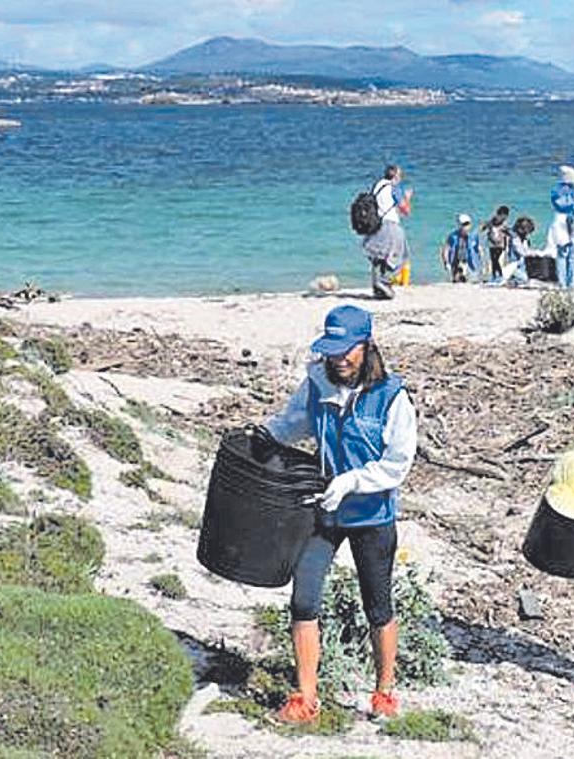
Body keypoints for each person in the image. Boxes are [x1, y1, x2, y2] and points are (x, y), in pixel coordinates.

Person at [257, 305, 418, 724]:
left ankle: (384, 692)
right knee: (304, 598)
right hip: (323, 512)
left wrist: (352, 481)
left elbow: (398, 463)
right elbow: (294, 423)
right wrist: (267, 435)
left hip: (372, 516)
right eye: (333, 351)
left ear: (366, 346)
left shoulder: (391, 397)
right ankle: (305, 698)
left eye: (348, 351)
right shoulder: (317, 382)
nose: (340, 360)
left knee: (377, 606)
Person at [361, 165, 413, 299]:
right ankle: (385, 282)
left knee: (378, 256)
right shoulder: (393, 188)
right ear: (395, 176)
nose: (401, 178)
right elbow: (405, 210)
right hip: (390, 225)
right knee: (400, 255)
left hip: (375, 224)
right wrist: (407, 198)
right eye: (400, 175)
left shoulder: (377, 186)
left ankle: (377, 287)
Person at [549, 164, 574, 289]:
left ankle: (562, 283)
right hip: (573, 220)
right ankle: (571, 283)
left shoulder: (555, 191)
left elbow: (555, 205)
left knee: (561, 254)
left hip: (559, 219)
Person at [440, 213, 483, 283]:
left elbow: (478, 248)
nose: (466, 227)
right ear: (459, 225)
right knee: (457, 279)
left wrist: (481, 261)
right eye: (464, 225)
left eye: (468, 224)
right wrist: (446, 262)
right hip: (456, 261)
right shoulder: (453, 236)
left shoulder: (473, 236)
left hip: (469, 262)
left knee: (468, 279)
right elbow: (445, 249)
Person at [482, 206, 513, 283]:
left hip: (501, 245)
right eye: (504, 216)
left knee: (496, 259)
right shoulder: (492, 221)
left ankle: (500, 275)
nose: (505, 218)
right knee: (493, 260)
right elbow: (485, 227)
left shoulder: (504, 224)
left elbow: (509, 233)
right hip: (492, 244)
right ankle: (494, 276)